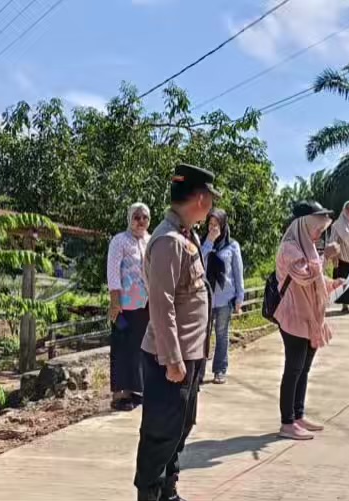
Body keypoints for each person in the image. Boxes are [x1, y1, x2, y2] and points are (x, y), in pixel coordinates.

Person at [134, 164, 219, 501]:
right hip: (169, 358)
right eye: (211, 198)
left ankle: (168, 491)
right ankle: (150, 495)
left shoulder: (187, 235)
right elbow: (161, 303)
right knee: (160, 433)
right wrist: (171, 359)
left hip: (189, 353)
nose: (211, 205)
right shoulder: (168, 241)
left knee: (181, 426)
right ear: (200, 199)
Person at [273, 201, 344, 440]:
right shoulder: (289, 248)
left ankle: (298, 415)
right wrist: (326, 257)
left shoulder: (308, 247)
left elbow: (316, 279)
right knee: (293, 368)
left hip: (311, 317)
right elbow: (304, 276)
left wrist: (332, 284)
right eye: (317, 229)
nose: (319, 235)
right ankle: (287, 422)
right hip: (293, 316)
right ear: (303, 225)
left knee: (303, 368)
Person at [106, 202, 151, 412]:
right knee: (122, 348)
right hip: (124, 306)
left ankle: (137, 390)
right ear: (130, 219)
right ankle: (120, 394)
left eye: (144, 217)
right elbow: (113, 273)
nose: (141, 221)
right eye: (136, 217)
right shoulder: (119, 241)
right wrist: (115, 301)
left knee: (140, 348)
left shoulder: (150, 241)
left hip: (146, 304)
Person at [200, 208, 244, 385]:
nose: (213, 228)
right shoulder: (202, 243)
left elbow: (238, 272)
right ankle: (198, 372)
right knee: (202, 336)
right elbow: (198, 264)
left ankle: (219, 370)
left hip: (225, 298)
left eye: (216, 225)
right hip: (205, 298)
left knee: (221, 334)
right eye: (210, 224)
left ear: (223, 225)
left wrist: (239, 297)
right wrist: (209, 242)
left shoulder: (232, 245)